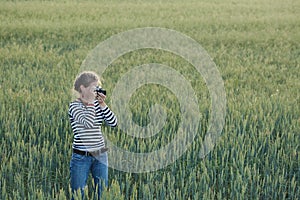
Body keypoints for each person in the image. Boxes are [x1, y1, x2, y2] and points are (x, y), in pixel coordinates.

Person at [68, 71, 117, 199]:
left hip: (101, 155)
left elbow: (113, 122)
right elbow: (88, 123)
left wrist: (102, 104)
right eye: (93, 88)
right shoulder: (74, 106)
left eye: (98, 88)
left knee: (102, 193)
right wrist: (90, 103)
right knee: (78, 194)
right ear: (82, 88)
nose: (97, 91)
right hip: (81, 157)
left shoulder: (96, 105)